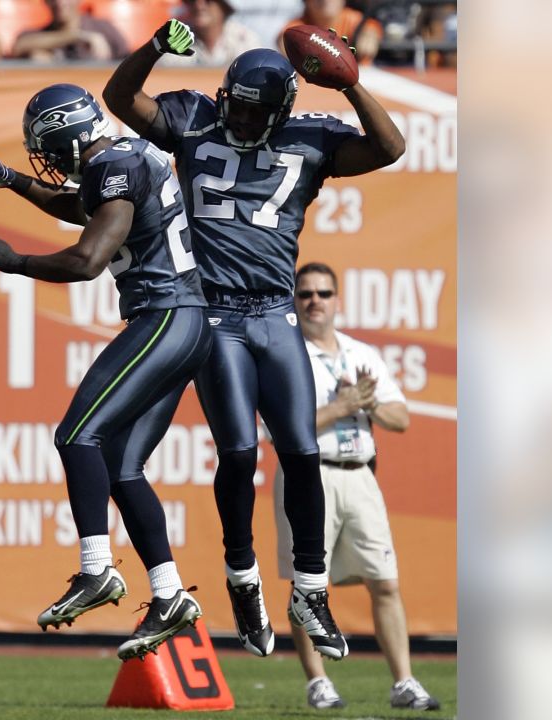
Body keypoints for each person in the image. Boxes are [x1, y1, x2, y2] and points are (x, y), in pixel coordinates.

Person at [104, 25, 405, 661]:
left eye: (251, 109)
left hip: (274, 311)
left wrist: (352, 86)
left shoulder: (310, 136)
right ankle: (242, 576)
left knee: (300, 448)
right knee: (239, 451)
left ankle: (311, 589)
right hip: (212, 312)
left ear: (280, 112)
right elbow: (120, 95)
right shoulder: (193, 116)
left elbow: (389, 147)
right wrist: (156, 47)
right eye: (233, 103)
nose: (238, 117)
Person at [0, 83, 211, 660]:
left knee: (76, 435)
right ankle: (170, 595)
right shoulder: (122, 157)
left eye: (45, 147)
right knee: (122, 468)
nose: (45, 158)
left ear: (67, 137)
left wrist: (14, 261)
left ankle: (97, 569)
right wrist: (9, 179)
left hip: (166, 314)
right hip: (182, 320)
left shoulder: (116, 165)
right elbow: (79, 207)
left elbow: (88, 259)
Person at [274, 262, 442, 710]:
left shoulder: (360, 353)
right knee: (307, 585)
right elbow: (280, 432)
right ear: (294, 298)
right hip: (309, 473)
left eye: (323, 293)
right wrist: (340, 406)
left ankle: (404, 682)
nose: (315, 301)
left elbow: (400, 418)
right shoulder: (285, 355)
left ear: (336, 300)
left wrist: (367, 404)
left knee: (385, 581)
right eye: (306, 293)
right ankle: (318, 682)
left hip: (360, 473)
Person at [12, 0, 129, 61]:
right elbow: (19, 46)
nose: (59, 2)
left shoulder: (103, 29)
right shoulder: (38, 34)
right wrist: (75, 36)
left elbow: (128, 59)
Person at [158, 0, 264, 67]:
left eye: (208, 0)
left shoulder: (245, 39)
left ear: (225, 7)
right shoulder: (175, 39)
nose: (199, 5)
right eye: (192, 0)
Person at [280, 0, 381, 63]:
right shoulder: (299, 26)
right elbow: (284, 39)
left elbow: (371, 28)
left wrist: (370, 33)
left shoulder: (354, 21)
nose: (325, 0)